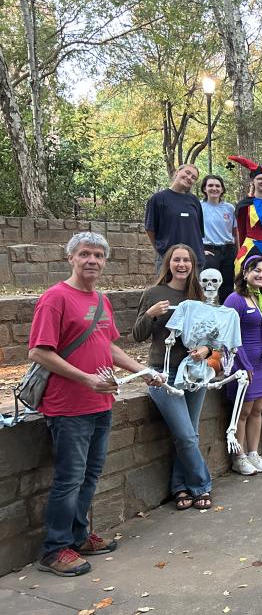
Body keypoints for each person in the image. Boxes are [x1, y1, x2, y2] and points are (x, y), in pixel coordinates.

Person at [29, 232, 162, 577]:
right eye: (85, 254)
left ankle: (78, 535)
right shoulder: (54, 298)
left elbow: (111, 347)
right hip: (68, 406)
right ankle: (54, 550)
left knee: (90, 476)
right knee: (69, 479)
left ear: (105, 262)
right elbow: (39, 352)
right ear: (70, 258)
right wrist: (85, 378)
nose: (92, 260)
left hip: (101, 402)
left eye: (99, 255)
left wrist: (144, 370)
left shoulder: (101, 300)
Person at [133, 244, 213, 510]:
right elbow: (137, 335)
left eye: (186, 261)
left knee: (189, 434)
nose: (182, 265)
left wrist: (207, 349)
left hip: (193, 372)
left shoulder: (198, 295)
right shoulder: (154, 293)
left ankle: (180, 488)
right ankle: (202, 485)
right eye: (177, 260)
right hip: (163, 373)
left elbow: (210, 336)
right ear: (168, 263)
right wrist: (150, 314)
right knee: (187, 436)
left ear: (192, 265)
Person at [223, 256, 262, 475]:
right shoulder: (234, 300)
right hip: (242, 367)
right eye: (256, 270)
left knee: (258, 410)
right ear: (245, 273)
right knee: (243, 412)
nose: (261, 275)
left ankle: (253, 453)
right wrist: (244, 365)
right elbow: (229, 337)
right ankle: (239, 457)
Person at [145, 164, 205, 271]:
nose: (189, 177)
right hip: (169, 260)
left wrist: (201, 251)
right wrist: (162, 251)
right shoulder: (158, 199)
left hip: (194, 260)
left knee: (192, 288)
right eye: (187, 173)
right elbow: (150, 229)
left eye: (193, 177)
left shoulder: (194, 201)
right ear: (177, 172)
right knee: (167, 288)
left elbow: (198, 232)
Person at [200, 174, 238, 303]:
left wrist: (238, 254)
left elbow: (235, 232)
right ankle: (206, 315)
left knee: (227, 287)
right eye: (210, 185)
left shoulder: (229, 208)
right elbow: (193, 231)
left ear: (222, 189)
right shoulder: (199, 207)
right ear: (204, 188)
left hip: (228, 250)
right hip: (209, 250)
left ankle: (225, 314)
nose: (214, 188)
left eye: (217, 186)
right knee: (208, 286)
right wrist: (199, 250)